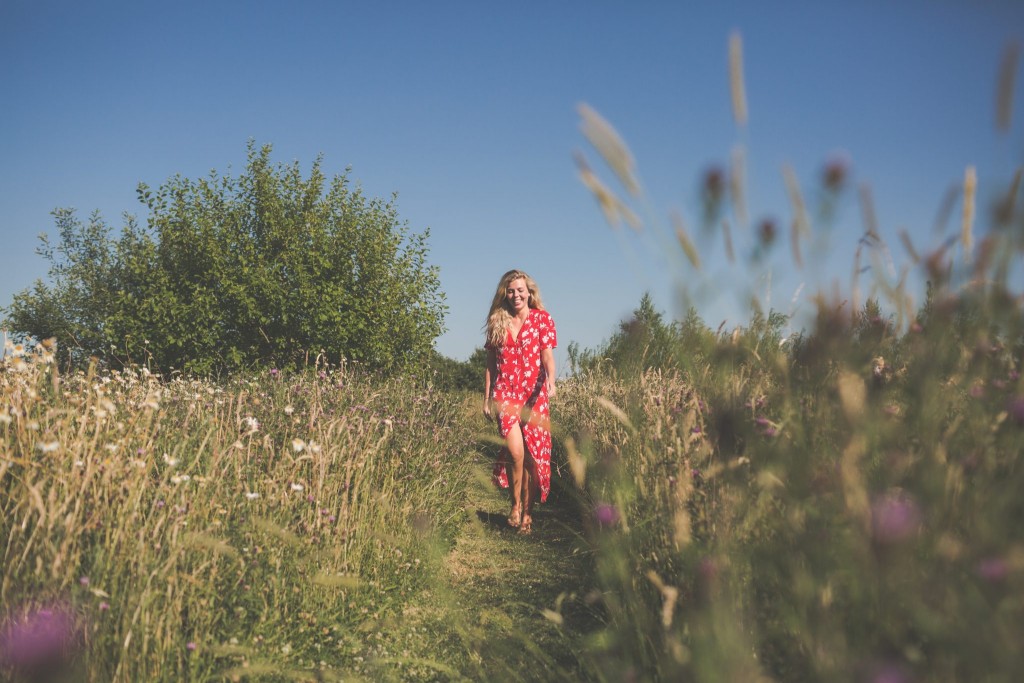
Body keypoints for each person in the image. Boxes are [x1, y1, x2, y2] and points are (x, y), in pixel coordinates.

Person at [483, 269, 557, 534]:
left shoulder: (542, 320)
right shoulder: (497, 321)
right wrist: (487, 397)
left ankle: (527, 513)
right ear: (505, 293)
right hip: (506, 394)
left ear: (529, 292)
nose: (515, 295)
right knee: (516, 452)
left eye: (520, 290)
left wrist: (551, 380)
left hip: (534, 396)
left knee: (532, 460)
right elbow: (491, 363)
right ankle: (514, 505)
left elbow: (547, 356)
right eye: (511, 290)